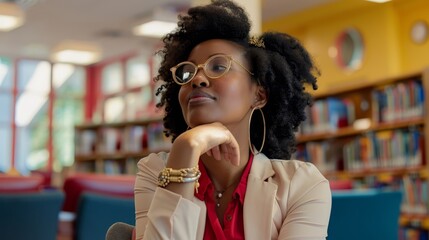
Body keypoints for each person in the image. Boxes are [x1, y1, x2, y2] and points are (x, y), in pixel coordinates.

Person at [134, 0, 331, 239]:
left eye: (218, 67)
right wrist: (186, 147)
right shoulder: (155, 171)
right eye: (187, 72)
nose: (198, 79)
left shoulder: (301, 185)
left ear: (259, 95)